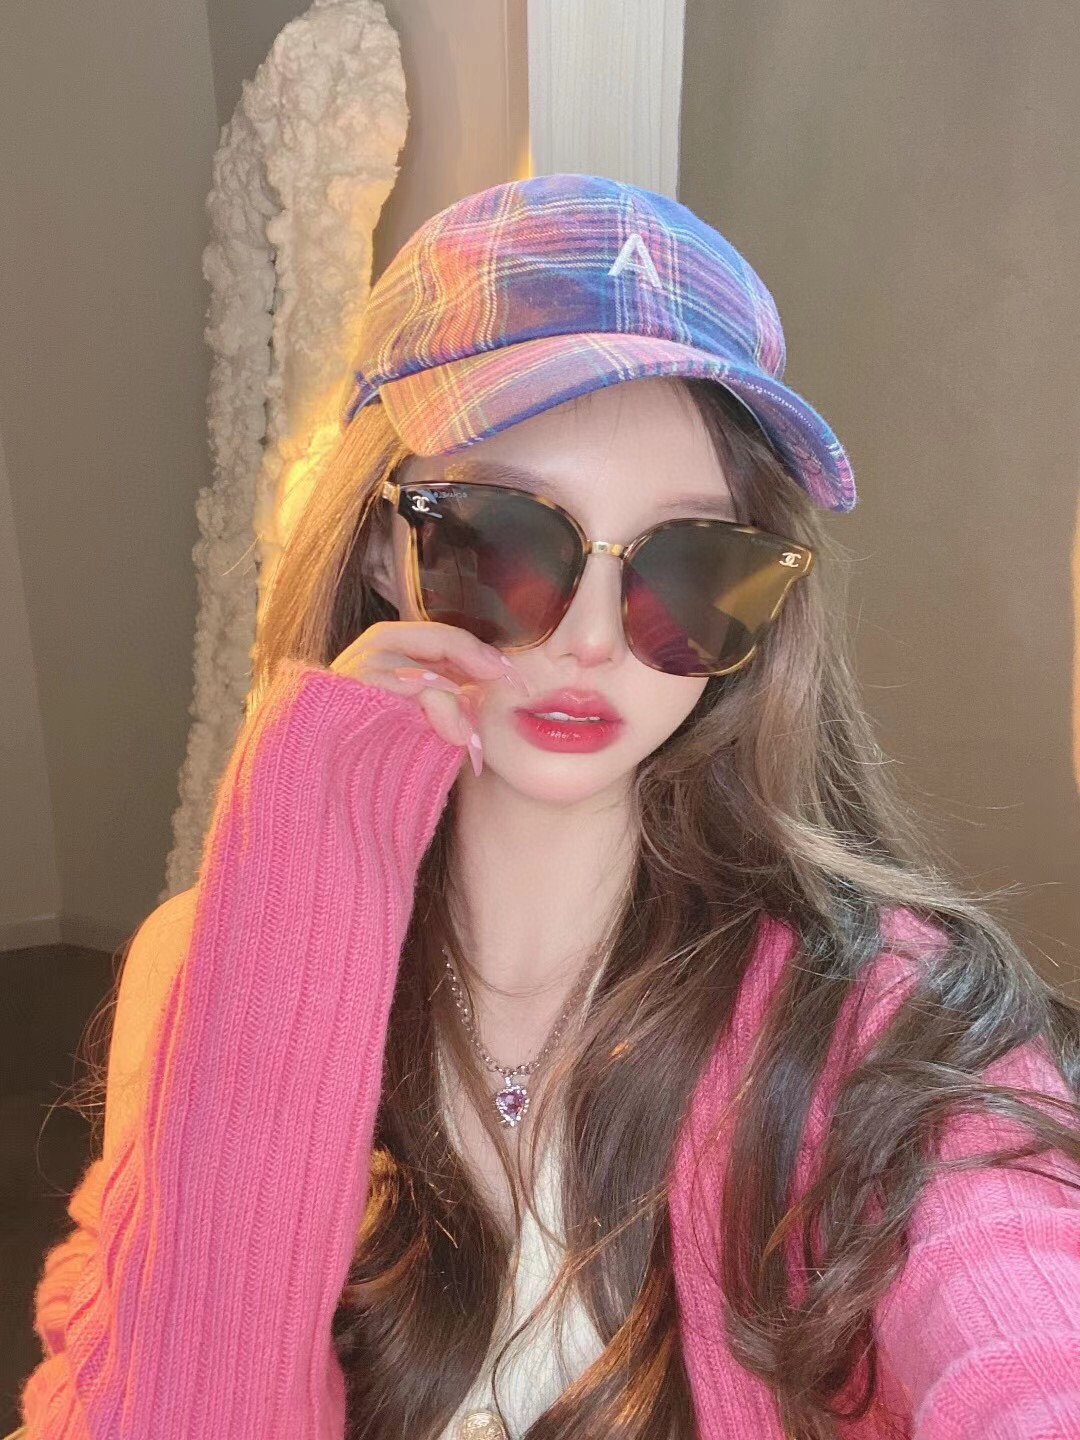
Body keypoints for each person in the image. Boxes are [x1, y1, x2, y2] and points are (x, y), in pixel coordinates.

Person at [17, 173, 1080, 1440]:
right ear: (384, 547)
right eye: (506, 539)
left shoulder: (890, 1013)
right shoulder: (198, 963)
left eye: (692, 561)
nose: (591, 637)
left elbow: (1025, 1334)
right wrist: (306, 869)